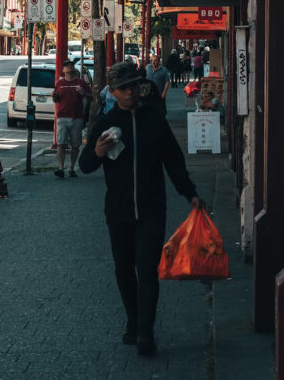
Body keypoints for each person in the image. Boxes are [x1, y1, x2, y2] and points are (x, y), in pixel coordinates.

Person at [79, 61, 203, 356]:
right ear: (113, 92)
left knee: (147, 269)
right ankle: (133, 321)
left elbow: (173, 159)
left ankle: (145, 332)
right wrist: (96, 152)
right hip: (118, 211)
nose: (132, 91)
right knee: (124, 270)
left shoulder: (154, 118)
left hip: (151, 208)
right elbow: (85, 165)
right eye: (124, 88)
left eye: (135, 85)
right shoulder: (105, 122)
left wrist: (190, 193)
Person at [52, 59, 91, 178]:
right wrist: (54, 96)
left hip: (77, 117)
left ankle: (71, 167)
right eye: (66, 65)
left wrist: (83, 93)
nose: (69, 67)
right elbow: (56, 99)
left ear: (74, 68)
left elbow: (91, 97)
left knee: (75, 144)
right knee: (61, 143)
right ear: (63, 70)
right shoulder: (60, 83)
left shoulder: (81, 82)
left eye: (71, 65)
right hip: (62, 116)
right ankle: (60, 168)